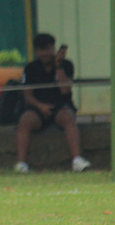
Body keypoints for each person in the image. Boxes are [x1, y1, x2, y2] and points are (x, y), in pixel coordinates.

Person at [13, 33, 90, 173]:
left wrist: (58, 66)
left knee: (68, 118)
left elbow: (65, 90)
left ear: (53, 49)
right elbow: (27, 95)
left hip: (60, 106)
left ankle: (77, 160)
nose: (45, 54)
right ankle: (21, 163)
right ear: (36, 51)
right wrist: (40, 106)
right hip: (37, 107)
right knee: (25, 121)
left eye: (48, 49)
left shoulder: (66, 65)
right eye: (41, 50)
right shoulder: (30, 68)